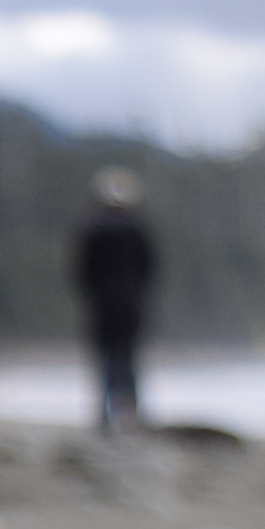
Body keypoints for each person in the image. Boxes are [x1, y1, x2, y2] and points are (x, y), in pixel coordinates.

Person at [72, 167, 155, 433]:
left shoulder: (93, 231)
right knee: (127, 359)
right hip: (128, 306)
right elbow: (148, 270)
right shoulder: (136, 231)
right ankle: (130, 413)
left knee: (107, 359)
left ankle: (106, 415)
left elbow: (82, 272)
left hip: (104, 307)